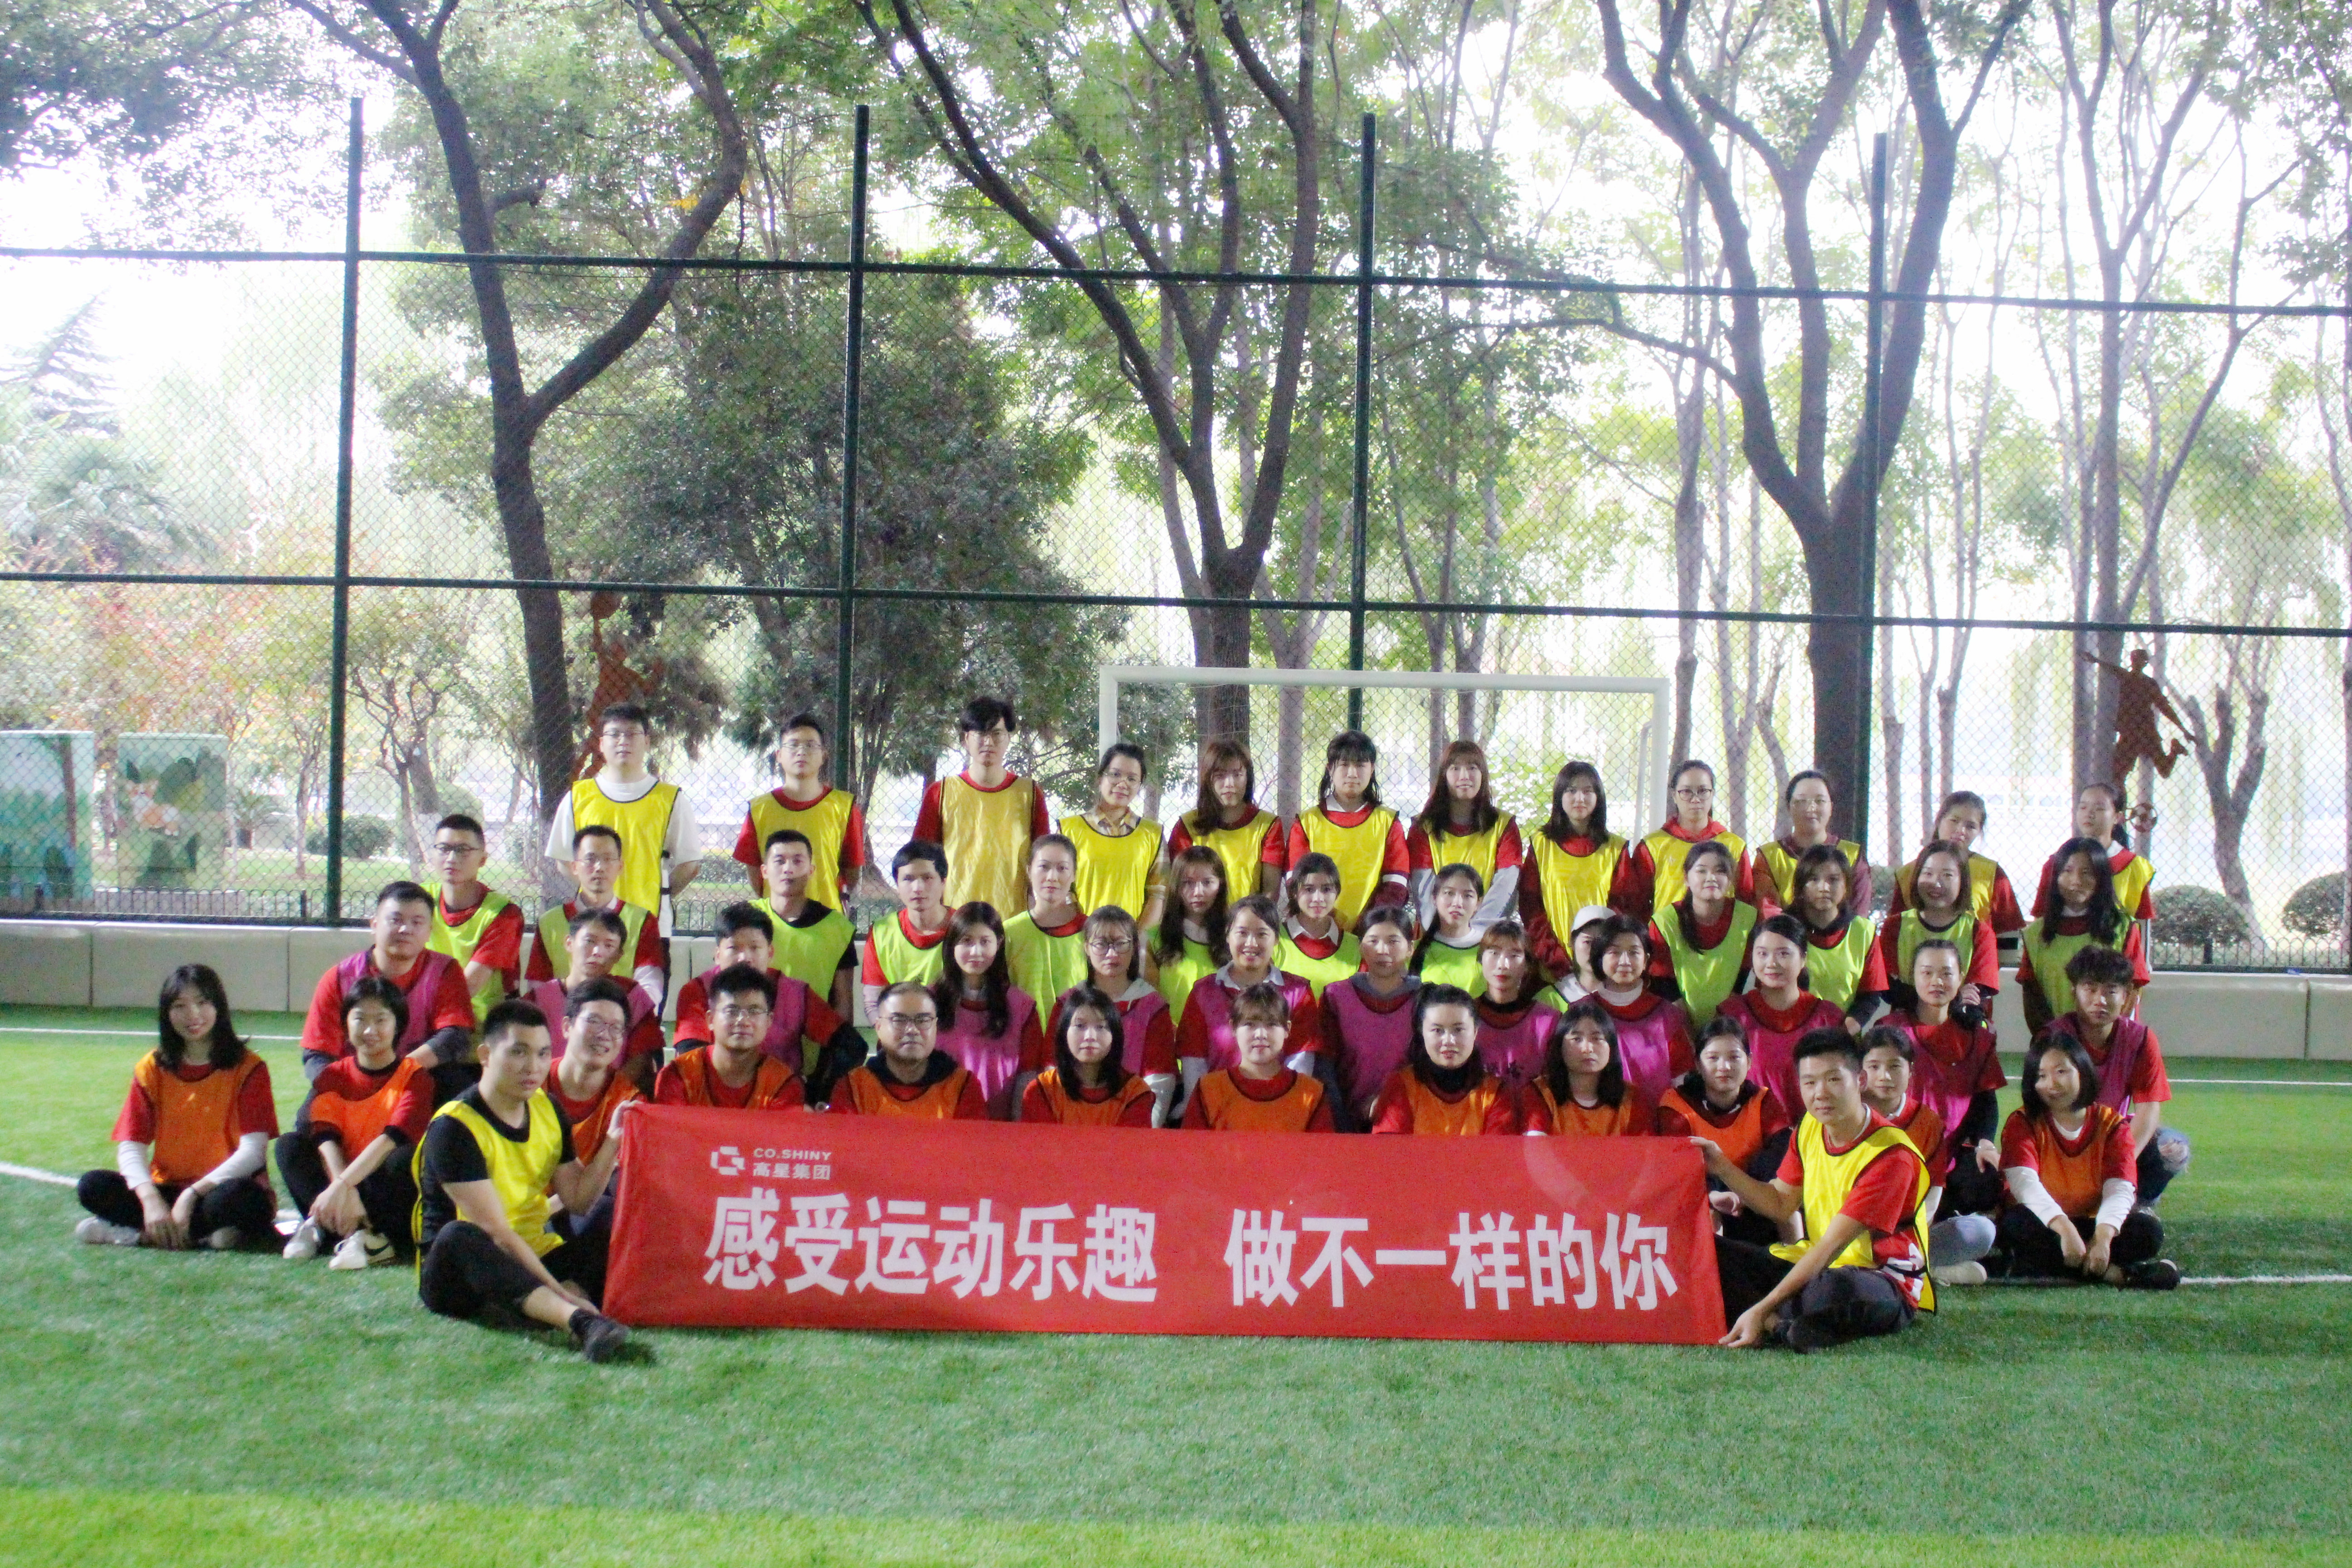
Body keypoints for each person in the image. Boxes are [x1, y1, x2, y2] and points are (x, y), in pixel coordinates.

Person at [413, 1000, 632, 1361]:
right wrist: (565, 1295)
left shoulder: (548, 1107)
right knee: (460, 1235)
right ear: (485, 1055)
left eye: (543, 1053)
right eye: (519, 1052)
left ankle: (538, 1305)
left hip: (534, 1250)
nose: (533, 1067)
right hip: (464, 1270)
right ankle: (578, 1321)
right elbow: (498, 1233)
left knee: (611, 1214)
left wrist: (613, 1142)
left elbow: (578, 1200)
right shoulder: (454, 1128)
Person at [1699, 1029, 1934, 1352]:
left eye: (1834, 1080)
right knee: (1708, 1252)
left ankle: (1765, 1316)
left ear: (1860, 1080)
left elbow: (1830, 1249)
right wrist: (1722, 1166)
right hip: (1815, 1261)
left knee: (1833, 1290)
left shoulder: (1892, 1155)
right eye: (1809, 1083)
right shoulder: (1810, 1126)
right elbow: (1780, 1204)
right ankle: (1780, 1325)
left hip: (1881, 1279)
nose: (1820, 1093)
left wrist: (1762, 1307)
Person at [76, 965, 279, 1252]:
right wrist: (150, 1200)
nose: (192, 1015)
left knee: (244, 1198)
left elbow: (253, 1152)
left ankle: (142, 1235)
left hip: (220, 1191)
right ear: (167, 1013)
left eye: (202, 1003)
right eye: (180, 1006)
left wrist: (192, 1195)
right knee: (92, 1186)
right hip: (167, 1191)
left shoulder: (248, 1068)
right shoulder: (151, 1068)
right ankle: (199, 1236)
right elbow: (131, 1146)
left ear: (219, 1007)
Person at [1990, 1031, 2180, 1289]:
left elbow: (2120, 1187)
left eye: (2061, 1072)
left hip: (2094, 1223)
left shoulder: (2112, 1124)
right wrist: (2064, 1228)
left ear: (2082, 1071)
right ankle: (2117, 1274)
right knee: (2017, 1226)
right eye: (2041, 1076)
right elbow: (2025, 1185)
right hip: (2044, 1222)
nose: (2052, 1084)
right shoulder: (2022, 1123)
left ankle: (2055, 1265)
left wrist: (2103, 1237)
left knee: (2147, 1231)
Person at [277, 975, 432, 1269]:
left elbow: (392, 1139)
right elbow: (325, 1136)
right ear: (346, 1024)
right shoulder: (333, 1076)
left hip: (380, 1179)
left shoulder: (415, 1077)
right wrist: (341, 1186)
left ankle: (370, 1234)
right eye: (360, 1019)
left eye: (381, 1020)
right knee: (289, 1146)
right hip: (342, 1178)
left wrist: (344, 1186)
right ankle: (326, 1226)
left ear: (398, 1024)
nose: (370, 1030)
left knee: (404, 1160)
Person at [542, 702, 700, 958]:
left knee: (647, 986)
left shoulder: (670, 799)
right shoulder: (578, 796)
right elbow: (564, 861)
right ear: (601, 744)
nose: (623, 741)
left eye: (632, 734)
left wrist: (660, 894)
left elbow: (689, 865)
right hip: (591, 927)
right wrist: (597, 894)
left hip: (650, 926)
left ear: (647, 741)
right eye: (614, 734)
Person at [297, 881, 476, 1097]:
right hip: (353, 1084)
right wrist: (351, 1087)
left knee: (458, 1087)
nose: (405, 930)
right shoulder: (339, 978)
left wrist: (396, 1074)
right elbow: (317, 1054)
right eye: (396, 920)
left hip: (418, 1077)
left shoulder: (445, 972)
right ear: (374, 925)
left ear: (430, 932)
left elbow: (455, 1037)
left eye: (417, 922)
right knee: (313, 1109)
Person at [2041, 944, 2190, 1203]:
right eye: (2090, 989)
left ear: (2126, 996)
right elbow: (2045, 1110)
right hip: (2063, 1139)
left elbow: (2148, 1110)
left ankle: (2136, 1204)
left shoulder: (2140, 1040)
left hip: (2113, 1135)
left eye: (2111, 990)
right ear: (2074, 992)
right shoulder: (2053, 1038)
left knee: (2172, 1148)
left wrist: (2120, 1164)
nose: (2100, 1000)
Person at [673, 905, 864, 1098]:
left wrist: (817, 1095)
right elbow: (690, 1056)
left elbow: (852, 1046)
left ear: (770, 953)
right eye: (734, 948)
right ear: (717, 954)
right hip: (711, 1101)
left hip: (781, 1101)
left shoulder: (796, 994)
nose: (744, 958)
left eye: (755, 948)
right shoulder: (696, 992)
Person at [1858, 1025, 1997, 1285]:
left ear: (1911, 1071)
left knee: (1983, 1231)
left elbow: (1933, 1189)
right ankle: (1921, 1271)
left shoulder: (1928, 1123)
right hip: (1850, 1230)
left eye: (1895, 1067)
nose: (1884, 1076)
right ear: (1860, 1071)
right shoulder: (1846, 1115)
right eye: (1874, 1067)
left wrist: (1911, 1233)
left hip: (1905, 1232)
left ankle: (1898, 1267)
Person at [1884, 940, 2008, 1224]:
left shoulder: (1978, 1036)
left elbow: (1986, 1099)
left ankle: (1942, 1218)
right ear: (1912, 976)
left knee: (1987, 1178)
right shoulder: (1891, 1031)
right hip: (1898, 1149)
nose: (1937, 982)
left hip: (1950, 1154)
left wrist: (1985, 1143)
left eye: (1946, 973)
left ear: (1961, 977)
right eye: (1927, 973)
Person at [1655, 1016, 1791, 1246]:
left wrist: (1746, 1192)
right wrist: (1713, 1195)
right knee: (1708, 1214)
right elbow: (1678, 1168)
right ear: (1698, 1064)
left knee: (1790, 1208)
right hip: (1702, 1198)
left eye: (1734, 1057)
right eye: (1713, 1058)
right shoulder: (1676, 1104)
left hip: (1756, 1195)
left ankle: (1795, 1262)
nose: (1724, 1067)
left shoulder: (1763, 1100)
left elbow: (1781, 1153)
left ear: (1749, 1062)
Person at [911, 696, 1050, 917]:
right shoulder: (940, 793)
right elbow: (921, 861)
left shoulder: (1030, 794)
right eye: (981, 734)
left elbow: (1044, 862)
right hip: (955, 920)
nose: (989, 742)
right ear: (966, 739)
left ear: (1008, 738)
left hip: (1013, 920)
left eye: (997, 734)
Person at [1175, 894, 1321, 1104]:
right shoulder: (1204, 992)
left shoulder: (1297, 993)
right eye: (1242, 933)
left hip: (1279, 1109)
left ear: (1276, 939)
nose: (1251, 943)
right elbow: (1194, 1068)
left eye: (1262, 934)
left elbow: (1300, 1066)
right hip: (1217, 1109)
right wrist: (1206, 1111)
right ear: (1228, 936)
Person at [1044, 907, 1180, 1123]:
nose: (1112, 954)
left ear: (1134, 947)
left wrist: (1143, 1132)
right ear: (1087, 948)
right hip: (1070, 1122)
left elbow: (1160, 1082)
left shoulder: (1152, 1007)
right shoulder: (1067, 1004)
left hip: (1131, 1125)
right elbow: (1052, 1070)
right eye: (1101, 944)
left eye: (1121, 944)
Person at [542, 979, 644, 1242]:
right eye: (594, 1022)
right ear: (567, 1027)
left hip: (574, 1215)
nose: (604, 1035)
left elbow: (594, 1195)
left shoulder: (628, 1103)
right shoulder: (532, 1085)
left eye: (616, 1028)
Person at [733, 711, 868, 908]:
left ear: (824, 756)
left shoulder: (844, 807)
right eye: (793, 745)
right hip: (775, 921)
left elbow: (852, 871)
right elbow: (754, 871)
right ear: (779, 756)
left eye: (810, 745)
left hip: (826, 918)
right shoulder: (759, 809)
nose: (801, 752)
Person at [1715, 913, 1845, 1117]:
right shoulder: (1732, 1015)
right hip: (1749, 1128)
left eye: (1784, 954)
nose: (1772, 963)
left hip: (1814, 1131)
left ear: (1803, 959)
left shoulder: (1828, 1018)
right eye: (1762, 954)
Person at [2019, 837, 2151, 1033]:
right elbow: (2032, 997)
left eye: (2087, 873)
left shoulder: (2124, 929)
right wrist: (2053, 1040)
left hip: (2108, 1042)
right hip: (2056, 1042)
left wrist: (2104, 1039)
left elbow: (2132, 990)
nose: (2076, 881)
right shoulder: (2035, 934)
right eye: (2067, 871)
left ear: (2102, 879)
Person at [525, 825, 666, 1009]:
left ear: (620, 866)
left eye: (608, 859)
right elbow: (537, 986)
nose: (599, 868)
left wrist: (612, 1017)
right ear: (575, 867)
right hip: (561, 1019)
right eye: (590, 859)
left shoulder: (642, 920)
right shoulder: (549, 922)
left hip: (622, 1019)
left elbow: (651, 987)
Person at [931, 901, 1047, 1120]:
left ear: (999, 943)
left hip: (999, 1129)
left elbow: (1028, 1079)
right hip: (940, 1126)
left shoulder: (1022, 1008)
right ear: (952, 944)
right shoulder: (928, 1003)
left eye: (985, 942)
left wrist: (1017, 1130)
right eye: (967, 941)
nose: (976, 952)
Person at [1285, 730, 1409, 930]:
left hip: (1373, 933)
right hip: (1317, 930)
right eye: (1344, 765)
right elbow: (1296, 882)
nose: (1352, 773)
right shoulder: (1306, 823)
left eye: (1360, 765)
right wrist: (1329, 922)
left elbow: (1396, 885)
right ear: (1330, 769)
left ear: (1372, 769)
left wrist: (1370, 924)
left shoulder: (1389, 823)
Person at [1519, 760, 1631, 978]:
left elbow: (1623, 907)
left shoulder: (1616, 849)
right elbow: (1531, 907)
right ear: (1559, 796)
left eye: (1588, 791)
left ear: (1598, 797)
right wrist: (1553, 955)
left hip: (1603, 964)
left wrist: (1601, 952)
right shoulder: (1541, 844)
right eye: (1571, 791)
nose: (1580, 798)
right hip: (1551, 965)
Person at [521, 909, 663, 1078]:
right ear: (569, 943)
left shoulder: (632, 995)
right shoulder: (538, 1000)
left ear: (619, 956)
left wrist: (610, 1092)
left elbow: (642, 1060)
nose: (597, 952)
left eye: (609, 946)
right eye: (590, 941)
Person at [1180, 981, 1336, 1132]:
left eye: (1271, 1024)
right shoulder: (1209, 1090)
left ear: (1287, 1029)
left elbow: (1320, 1148)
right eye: (1250, 1024)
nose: (1261, 1034)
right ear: (1234, 1028)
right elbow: (1193, 1146)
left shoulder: (1311, 1093)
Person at [1319, 905, 1423, 1130]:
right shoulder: (1337, 996)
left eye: (1393, 941)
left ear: (1410, 949)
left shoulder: (1424, 1000)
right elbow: (1325, 1066)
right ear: (1360, 947)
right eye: (1373, 941)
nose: (1382, 950)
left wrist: (1387, 1103)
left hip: (1409, 1123)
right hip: (1344, 1122)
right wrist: (1341, 1121)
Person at [1407, 740, 1524, 935]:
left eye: (1472, 768)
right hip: (1435, 935)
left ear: (1483, 775)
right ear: (1444, 775)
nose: (1464, 776)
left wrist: (1476, 934)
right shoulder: (1423, 827)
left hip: (1487, 936)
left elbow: (1505, 887)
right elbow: (1424, 891)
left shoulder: (1504, 826)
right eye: (1455, 768)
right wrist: (1445, 934)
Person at [1368, 984, 1519, 1135]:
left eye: (1458, 1030)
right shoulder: (1402, 1085)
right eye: (1438, 1030)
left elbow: (1498, 1149)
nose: (1449, 1041)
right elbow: (1389, 1147)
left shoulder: (1495, 1093)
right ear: (1422, 1032)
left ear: (1475, 1032)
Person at [654, 965, 809, 1110]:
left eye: (754, 1011)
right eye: (732, 1011)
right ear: (711, 1019)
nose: (743, 1021)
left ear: (769, 1021)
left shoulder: (784, 1085)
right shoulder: (678, 1076)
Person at [1875, 838, 1999, 1019]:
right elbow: (1888, 990)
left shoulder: (1980, 933)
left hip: (1961, 1024)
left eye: (1947, 875)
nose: (1936, 883)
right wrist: (1956, 997)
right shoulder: (1895, 926)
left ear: (1963, 881)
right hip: (1906, 1026)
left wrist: (1921, 997)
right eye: (1928, 873)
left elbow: (1977, 995)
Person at [1887, 791, 2027, 952]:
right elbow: (1895, 933)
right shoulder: (1907, 873)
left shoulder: (1992, 874)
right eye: (1954, 821)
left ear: (1979, 831)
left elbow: (2008, 933)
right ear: (1940, 820)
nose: (1961, 830)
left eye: (1971, 826)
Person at [830, 982, 990, 1119]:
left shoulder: (962, 1086)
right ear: (879, 1028)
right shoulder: (854, 1087)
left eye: (923, 1020)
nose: (912, 1030)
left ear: (936, 1028)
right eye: (899, 1020)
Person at [1620, 759, 1756, 919]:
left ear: (1713, 794)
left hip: (1724, 934)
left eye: (1703, 791)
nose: (1696, 799)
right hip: (1668, 934)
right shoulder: (1652, 847)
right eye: (1686, 792)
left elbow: (1747, 903)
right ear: (1674, 796)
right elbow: (1637, 906)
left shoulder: (1734, 846)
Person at [422, 813, 524, 1026]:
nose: (452, 858)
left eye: (463, 850)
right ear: (432, 854)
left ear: (483, 860)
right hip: (422, 1017)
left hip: (478, 1028)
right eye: (444, 849)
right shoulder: (419, 900)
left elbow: (466, 989)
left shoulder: (504, 914)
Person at [1586, 916, 1696, 1106]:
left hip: (1657, 1119)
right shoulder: (1582, 1013)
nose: (1625, 961)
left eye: (1634, 952)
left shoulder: (1668, 1017)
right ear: (1599, 957)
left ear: (1646, 961)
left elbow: (1683, 1082)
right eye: (1615, 952)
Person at [1646, 839, 1757, 1029]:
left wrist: (1721, 1030)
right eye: (1702, 871)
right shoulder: (1664, 922)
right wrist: (1686, 1032)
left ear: (1731, 879)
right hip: (1677, 1024)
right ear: (1686, 878)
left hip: (1733, 1024)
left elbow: (1746, 980)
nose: (1711, 878)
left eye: (1720, 871)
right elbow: (1662, 985)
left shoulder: (1749, 918)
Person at [751, 829, 856, 1017]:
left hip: (815, 1033)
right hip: (755, 1033)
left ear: (811, 871)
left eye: (797, 861)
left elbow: (844, 1003)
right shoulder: (747, 919)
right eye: (780, 861)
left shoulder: (838, 928)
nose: (788, 869)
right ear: (764, 871)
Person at [1062, 742, 1166, 930]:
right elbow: (1063, 891)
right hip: (1080, 936)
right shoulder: (1068, 830)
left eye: (1132, 779)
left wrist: (1136, 939)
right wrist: (1083, 935)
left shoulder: (1153, 834)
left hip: (1130, 941)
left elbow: (1158, 894)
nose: (1123, 784)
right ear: (1100, 778)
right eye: (1115, 775)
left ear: (1140, 785)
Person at [1020, 984, 1156, 1127]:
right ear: (1064, 1033)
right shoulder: (1042, 1090)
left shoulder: (1135, 1093)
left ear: (1115, 1035)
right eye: (1080, 1026)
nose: (1090, 1037)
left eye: (1101, 1027)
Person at [1168, 736, 1284, 900]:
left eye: (1237, 775)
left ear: (1248, 778)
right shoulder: (1187, 825)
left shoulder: (1268, 825)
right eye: (1220, 776)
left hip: (1250, 916)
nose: (1230, 783)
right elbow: (1175, 887)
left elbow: (1270, 892)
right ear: (1208, 780)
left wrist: (1248, 916)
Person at [1518, 1000, 1656, 1136]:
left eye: (1597, 1039)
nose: (1587, 1049)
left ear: (1612, 1046)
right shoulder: (1540, 1094)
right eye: (1577, 1039)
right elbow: (1536, 1147)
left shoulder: (1632, 1098)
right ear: (1560, 1046)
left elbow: (1642, 1149)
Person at [2031, 782, 2158, 930]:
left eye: (2099, 809)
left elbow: (2142, 923)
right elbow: (2041, 920)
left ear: (2118, 817)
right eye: (2083, 807)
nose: (2089, 814)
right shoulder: (2057, 862)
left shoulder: (2134, 866)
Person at [1785, 843, 1885, 1022]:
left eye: (1833, 880)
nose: (1824, 887)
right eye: (1814, 879)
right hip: (1791, 1031)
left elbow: (1870, 997)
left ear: (1846, 886)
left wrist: (1844, 1032)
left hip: (1843, 1034)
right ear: (1801, 886)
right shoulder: (1782, 930)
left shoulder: (1864, 932)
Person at [1754, 771, 1873, 916]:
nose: (1811, 808)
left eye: (1820, 801)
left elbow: (1859, 915)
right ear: (1789, 807)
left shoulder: (1853, 855)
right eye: (1801, 801)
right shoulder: (1769, 857)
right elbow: (1769, 913)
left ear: (1831, 807)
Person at [861, 840, 955, 1019]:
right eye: (908, 879)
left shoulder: (963, 928)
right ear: (897, 884)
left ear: (943, 882)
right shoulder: (881, 932)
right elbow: (874, 1002)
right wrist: (890, 1032)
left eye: (927, 878)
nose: (918, 888)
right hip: (897, 1032)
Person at [1003, 835, 1090, 1011]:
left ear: (1074, 874)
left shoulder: (1090, 931)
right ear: (1029, 871)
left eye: (1062, 868)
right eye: (1044, 867)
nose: (1052, 877)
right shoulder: (1010, 932)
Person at [1470, 919, 1558, 1090]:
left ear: (1527, 965)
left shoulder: (1548, 1022)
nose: (1503, 965)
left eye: (1514, 955)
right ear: (1481, 959)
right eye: (1494, 953)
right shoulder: (1466, 1016)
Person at [1278, 851, 1365, 998]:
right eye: (1309, 889)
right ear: (1294, 892)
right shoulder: (1275, 940)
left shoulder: (1356, 947)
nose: (1318, 899)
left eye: (1326, 889)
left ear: (1337, 892)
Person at [1411, 863, 1487, 997]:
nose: (1457, 903)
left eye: (1468, 896)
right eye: (1449, 893)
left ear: (1478, 903)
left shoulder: (1488, 950)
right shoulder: (1413, 952)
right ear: (1435, 898)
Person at [1538, 904, 1617, 1009]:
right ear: (1572, 942)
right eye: (1588, 942)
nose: (1595, 950)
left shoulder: (1630, 997)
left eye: (1603, 942)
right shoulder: (1550, 1000)